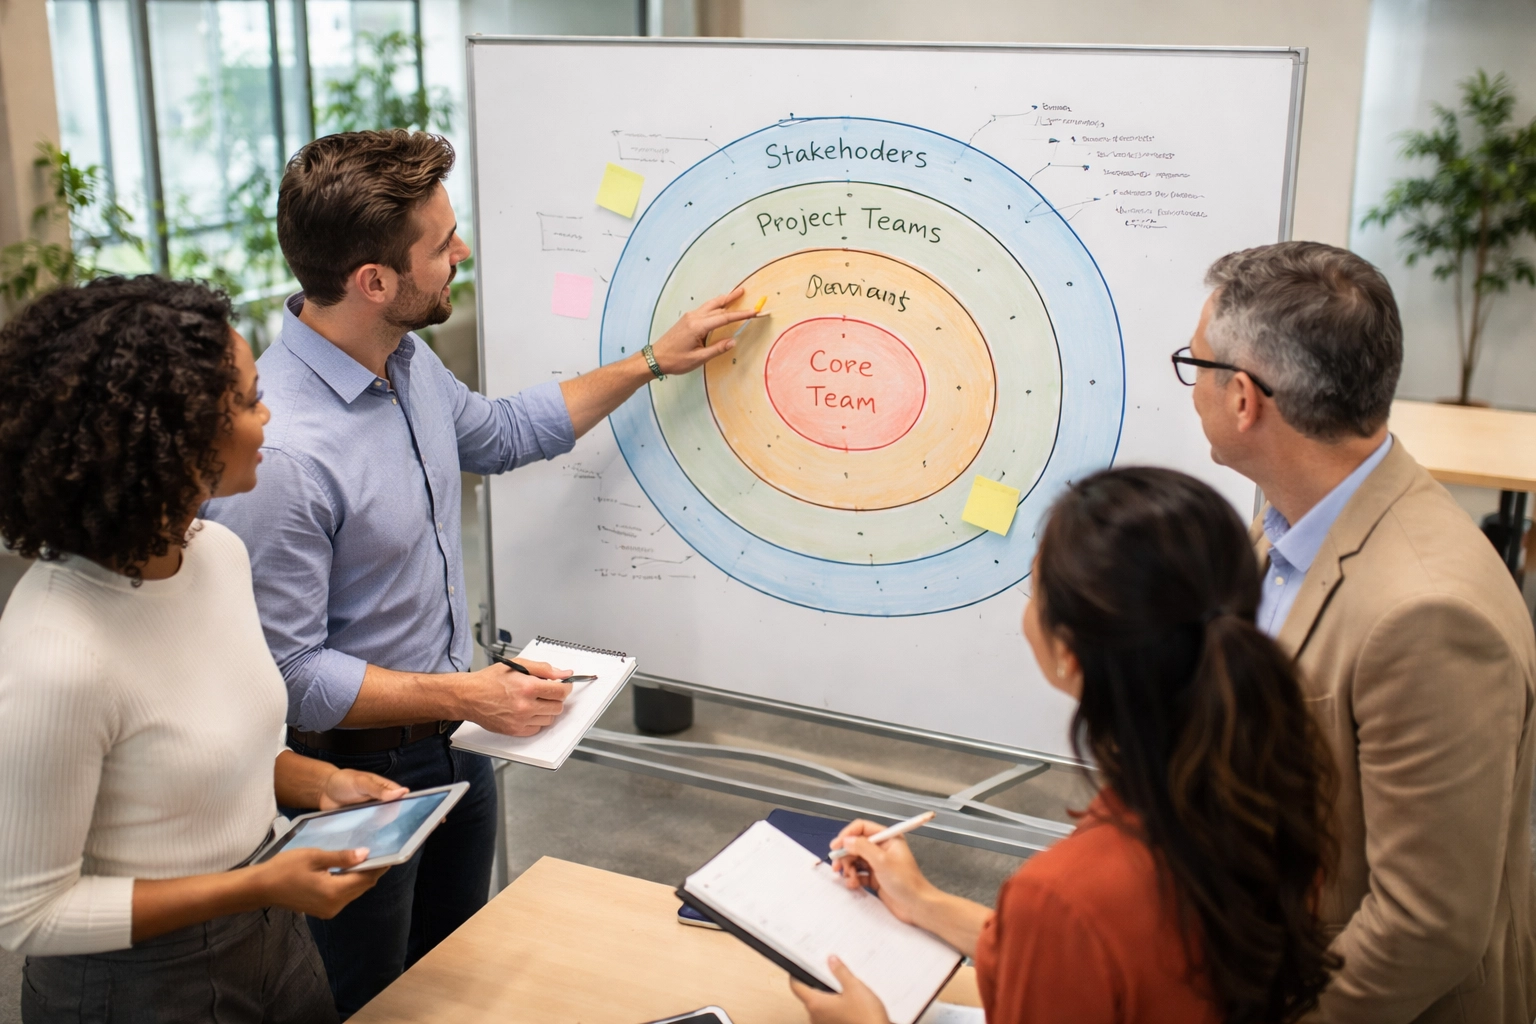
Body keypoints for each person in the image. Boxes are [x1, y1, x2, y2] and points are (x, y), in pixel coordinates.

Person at [201, 128, 756, 1015]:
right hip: (351, 782)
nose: (460, 253)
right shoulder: (285, 456)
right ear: (373, 281)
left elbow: (500, 433)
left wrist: (655, 358)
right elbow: (294, 681)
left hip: (456, 745)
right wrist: (470, 694)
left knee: (452, 983)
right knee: (365, 999)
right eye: (440, 245)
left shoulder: (405, 361)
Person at [0, 276, 410, 1024]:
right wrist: (257, 885)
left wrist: (321, 784)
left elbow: (206, 756)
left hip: (271, 936)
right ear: (176, 433)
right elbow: (29, 915)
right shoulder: (54, 656)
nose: (270, 415)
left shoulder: (215, 553)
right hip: (135, 987)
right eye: (251, 400)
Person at [793, 467, 1339, 1024]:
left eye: (1036, 587)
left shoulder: (1068, 896)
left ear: (1070, 653)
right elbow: (1086, 962)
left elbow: (1069, 937)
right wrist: (922, 902)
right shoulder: (1271, 793)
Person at [1176, 240, 1536, 1022]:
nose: (1189, 388)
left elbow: (1426, 927)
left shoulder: (1429, 616)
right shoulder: (1288, 514)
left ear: (1244, 399)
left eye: (1193, 366)